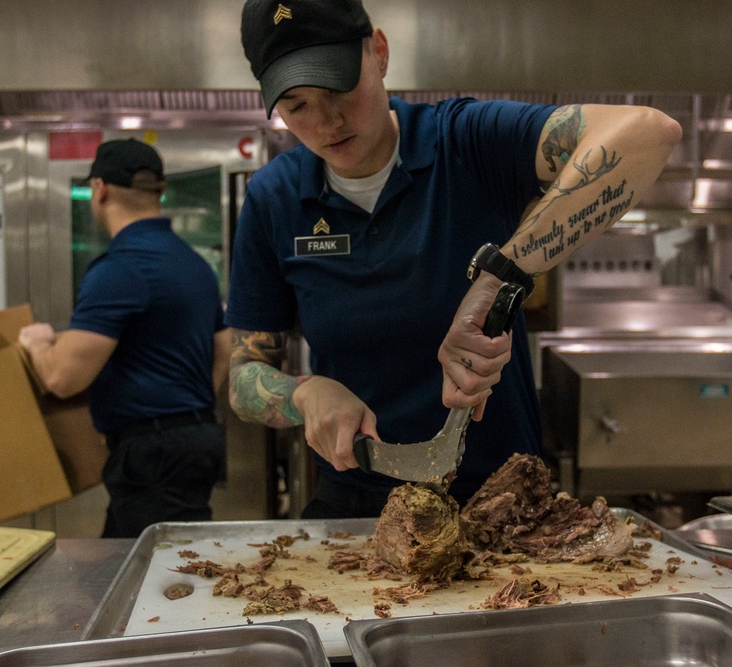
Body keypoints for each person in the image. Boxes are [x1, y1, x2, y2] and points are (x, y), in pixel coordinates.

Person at [227, 0, 683, 518]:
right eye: (296, 105)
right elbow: (244, 376)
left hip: (502, 502)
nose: (326, 120)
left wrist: (500, 279)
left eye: (338, 88)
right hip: (356, 511)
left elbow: (648, 134)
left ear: (378, 53)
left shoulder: (465, 140)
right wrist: (303, 394)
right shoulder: (274, 198)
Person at [19, 138, 230, 538]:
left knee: (161, 576)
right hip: (193, 437)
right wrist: (188, 406)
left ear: (99, 189)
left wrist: (38, 344)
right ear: (160, 190)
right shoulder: (195, 264)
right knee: (126, 562)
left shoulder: (120, 269)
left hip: (153, 451)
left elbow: (63, 379)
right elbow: (224, 346)